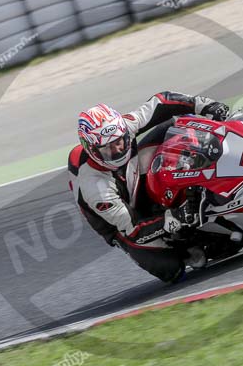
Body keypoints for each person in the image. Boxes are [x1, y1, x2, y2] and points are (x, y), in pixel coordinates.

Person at [68, 92, 229, 283]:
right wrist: (175, 218)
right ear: (92, 150)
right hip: (123, 224)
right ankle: (184, 243)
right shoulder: (95, 188)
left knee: (181, 124)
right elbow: (134, 229)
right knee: (173, 270)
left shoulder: (123, 128)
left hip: (132, 173)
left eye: (119, 141)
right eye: (108, 149)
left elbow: (160, 104)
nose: (118, 150)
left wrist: (204, 106)